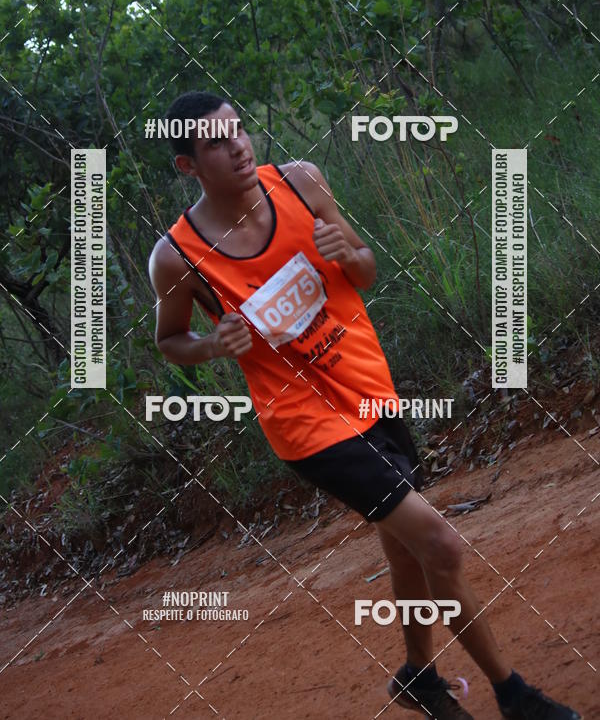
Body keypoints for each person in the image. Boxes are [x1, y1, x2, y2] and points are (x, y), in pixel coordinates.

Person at [148, 91, 581, 720]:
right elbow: (170, 340)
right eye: (215, 142)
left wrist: (350, 256)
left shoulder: (300, 185)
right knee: (441, 544)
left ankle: (418, 677)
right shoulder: (178, 257)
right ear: (189, 165)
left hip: (369, 390)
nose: (238, 146)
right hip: (306, 426)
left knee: (404, 549)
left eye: (237, 131)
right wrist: (213, 345)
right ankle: (515, 696)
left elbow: (366, 268)